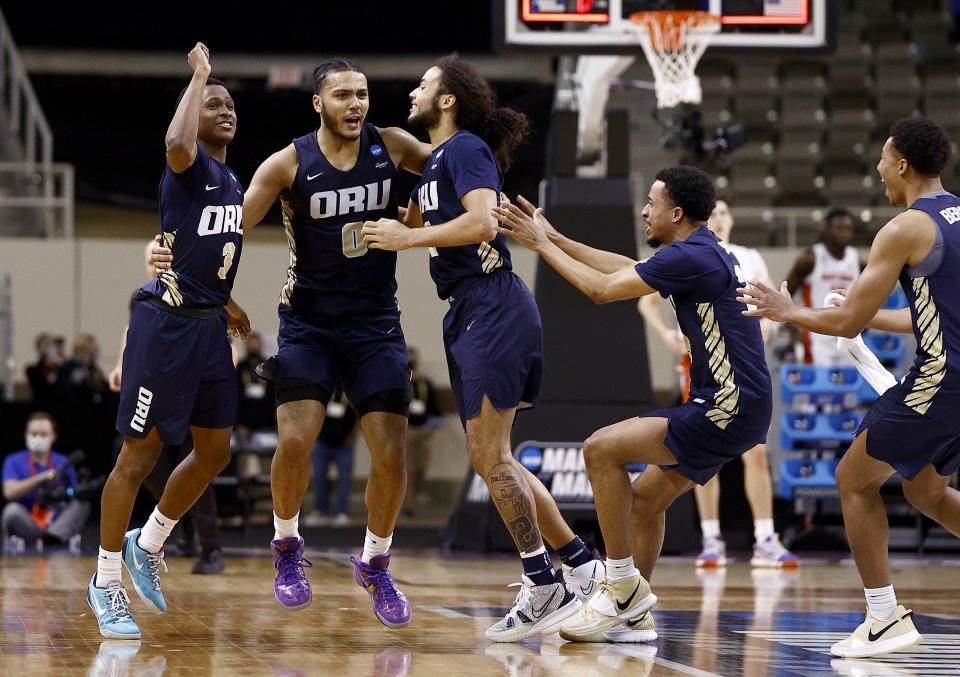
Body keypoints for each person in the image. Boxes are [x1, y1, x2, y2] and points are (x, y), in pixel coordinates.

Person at [152, 56, 432, 627]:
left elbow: (453, 174)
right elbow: (222, 223)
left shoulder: (396, 145)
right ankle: (286, 547)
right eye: (342, 95)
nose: (355, 103)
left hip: (376, 321)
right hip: (308, 321)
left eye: (362, 92)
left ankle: (375, 562)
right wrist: (161, 251)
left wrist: (420, 216)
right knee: (297, 441)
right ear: (318, 104)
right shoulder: (287, 163)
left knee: (391, 454)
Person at [361, 54, 604, 642]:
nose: (413, 90)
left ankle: (542, 581)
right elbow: (432, 209)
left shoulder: (464, 148)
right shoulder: (441, 161)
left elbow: (483, 224)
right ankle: (580, 565)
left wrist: (409, 235)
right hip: (475, 309)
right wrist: (411, 212)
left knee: (488, 456)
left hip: (492, 305)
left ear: (448, 100)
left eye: (424, 84)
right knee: (500, 457)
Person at [492, 165, 772, 642]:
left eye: (652, 202)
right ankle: (634, 615)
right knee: (644, 501)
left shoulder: (693, 256)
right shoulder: (696, 252)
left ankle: (619, 586)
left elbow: (602, 290)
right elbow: (622, 266)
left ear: (676, 213)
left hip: (727, 403)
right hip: (739, 403)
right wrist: (556, 238)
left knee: (601, 449)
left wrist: (539, 247)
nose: (644, 210)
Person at [739, 117, 960, 658]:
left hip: (942, 378)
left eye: (883, 159)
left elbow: (846, 325)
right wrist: (864, 314)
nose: (878, 168)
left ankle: (885, 619)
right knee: (925, 491)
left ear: (902, 164)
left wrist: (788, 310)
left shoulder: (904, 228)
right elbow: (928, 315)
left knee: (853, 479)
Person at [86, 42, 251, 640]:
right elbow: (175, 144)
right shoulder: (188, 164)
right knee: (140, 454)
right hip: (167, 326)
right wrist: (198, 77)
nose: (224, 109)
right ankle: (105, 581)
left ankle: (148, 540)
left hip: (208, 327)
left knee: (214, 453)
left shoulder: (231, 179)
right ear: (192, 111)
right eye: (213, 104)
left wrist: (229, 305)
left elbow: (196, 253)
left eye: (230, 103)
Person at [639, 199, 798, 569]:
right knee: (699, 454)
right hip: (701, 364)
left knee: (754, 453)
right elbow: (643, 300)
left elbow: (773, 303)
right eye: (716, 213)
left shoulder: (747, 256)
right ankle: (711, 537)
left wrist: (765, 329)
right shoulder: (687, 254)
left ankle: (765, 537)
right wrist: (666, 333)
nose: (721, 218)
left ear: (733, 219)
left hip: (742, 366)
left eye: (727, 212)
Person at [111, 240, 227, 575]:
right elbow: (132, 334)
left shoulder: (196, 290)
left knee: (199, 470)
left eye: (158, 258)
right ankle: (181, 527)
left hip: (191, 396)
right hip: (156, 396)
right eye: (149, 259)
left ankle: (212, 550)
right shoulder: (143, 297)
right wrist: (120, 366)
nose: (155, 264)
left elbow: (221, 339)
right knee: (152, 471)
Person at [784, 207, 863, 366]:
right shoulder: (811, 258)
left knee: (847, 389)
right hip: (817, 334)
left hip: (848, 335)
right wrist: (791, 329)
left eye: (848, 229)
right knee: (820, 388)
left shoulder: (855, 259)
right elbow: (785, 294)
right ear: (827, 230)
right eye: (839, 228)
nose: (844, 233)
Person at [2, 412, 89, 554]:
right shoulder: (13, 460)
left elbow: (74, 495)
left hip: (55, 521)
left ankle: (50, 538)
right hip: (29, 522)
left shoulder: (64, 462)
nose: (38, 438)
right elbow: (9, 492)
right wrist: (41, 477)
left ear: (53, 436)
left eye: (43, 434)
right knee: (11, 511)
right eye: (34, 434)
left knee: (82, 505)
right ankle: (48, 540)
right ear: (26, 435)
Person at [304, 387, 358, 527]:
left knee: (344, 478)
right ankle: (320, 510)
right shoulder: (325, 389)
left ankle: (341, 512)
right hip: (323, 441)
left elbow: (359, 415)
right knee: (320, 476)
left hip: (344, 442)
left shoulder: (352, 390)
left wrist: (353, 436)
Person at [402, 346, 443, 517]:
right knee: (408, 469)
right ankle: (408, 505)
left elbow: (435, 408)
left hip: (424, 430)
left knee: (421, 468)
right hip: (407, 430)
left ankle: (412, 498)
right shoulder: (401, 382)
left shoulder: (426, 382)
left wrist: (434, 422)